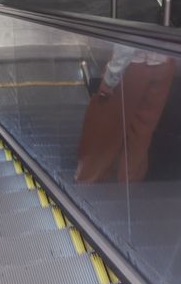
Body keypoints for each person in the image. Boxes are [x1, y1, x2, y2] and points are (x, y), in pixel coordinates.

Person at [75, 45, 175, 183]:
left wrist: (110, 79)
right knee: (141, 131)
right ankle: (128, 185)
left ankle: (89, 180)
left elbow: (127, 44)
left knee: (106, 128)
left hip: (134, 65)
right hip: (166, 64)